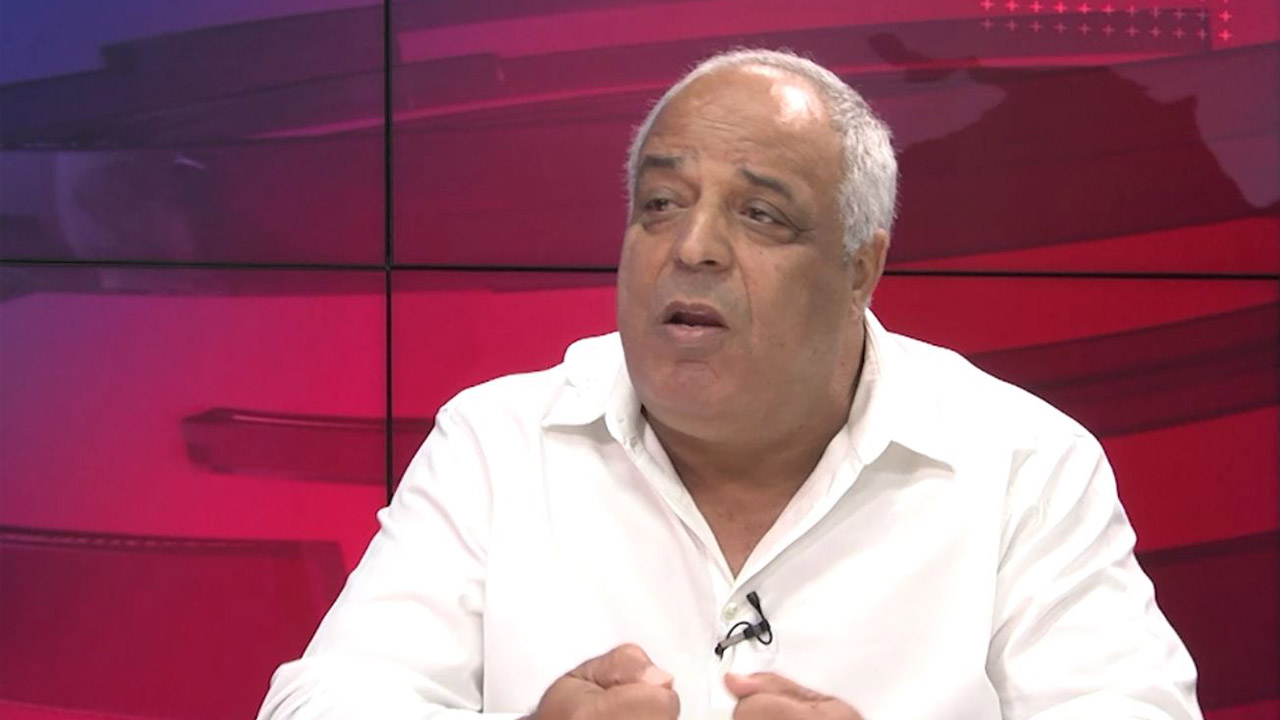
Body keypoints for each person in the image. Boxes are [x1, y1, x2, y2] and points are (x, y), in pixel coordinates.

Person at [257, 49, 1202, 720]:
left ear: (861, 268)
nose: (692, 247)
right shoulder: (497, 441)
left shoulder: (1024, 465)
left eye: (760, 215)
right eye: (660, 204)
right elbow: (328, 699)